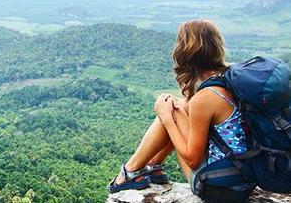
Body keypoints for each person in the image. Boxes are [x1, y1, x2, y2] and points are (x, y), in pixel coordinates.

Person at [108, 19, 255, 202]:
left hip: (220, 190)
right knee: (179, 105)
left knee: (172, 109)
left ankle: (130, 172)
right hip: (244, 177)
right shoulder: (232, 77)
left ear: (186, 51)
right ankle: (153, 165)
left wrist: (166, 117)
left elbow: (193, 160)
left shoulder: (205, 98)